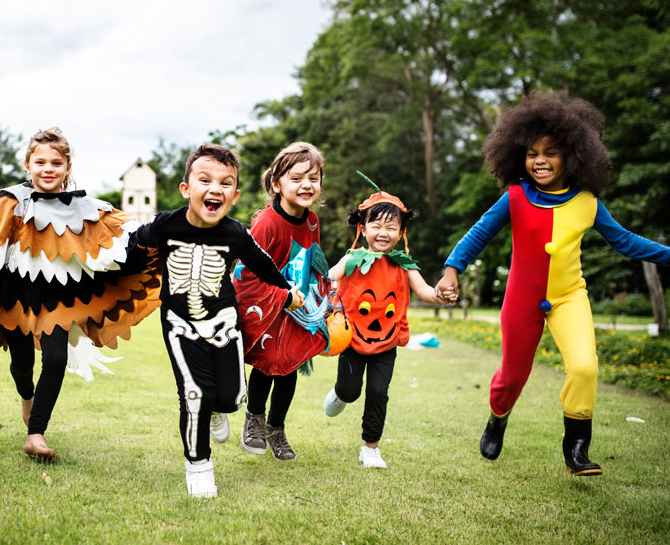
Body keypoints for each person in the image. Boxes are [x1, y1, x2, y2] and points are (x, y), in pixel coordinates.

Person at [435, 91, 670, 475]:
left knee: (584, 367)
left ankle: (576, 447)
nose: (539, 160)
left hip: (568, 297)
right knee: (512, 375)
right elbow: (478, 234)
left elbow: (624, 240)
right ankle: (497, 419)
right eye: (531, 153)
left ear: (573, 155)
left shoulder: (588, 202)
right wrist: (451, 270)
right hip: (521, 299)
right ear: (519, 157)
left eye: (550, 152)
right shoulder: (514, 196)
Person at [0, 127, 160, 462]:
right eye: (40, 162)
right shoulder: (9, 203)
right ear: (28, 165)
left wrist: (170, 229)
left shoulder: (87, 208)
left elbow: (129, 233)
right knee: (22, 365)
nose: (48, 168)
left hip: (59, 299)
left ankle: (36, 434)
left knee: (56, 359)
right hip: (15, 296)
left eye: (56, 163)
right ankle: (26, 397)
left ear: (67, 167)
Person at [134, 143, 305, 498]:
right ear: (186, 189)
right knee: (195, 393)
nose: (215, 189)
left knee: (229, 397)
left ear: (235, 194)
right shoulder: (165, 225)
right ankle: (198, 465)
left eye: (226, 183)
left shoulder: (235, 233)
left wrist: (287, 291)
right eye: (205, 180)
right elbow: (131, 247)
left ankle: (218, 409)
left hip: (224, 321)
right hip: (179, 323)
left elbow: (264, 266)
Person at [323, 178, 449, 469]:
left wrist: (441, 294)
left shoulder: (404, 264)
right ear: (363, 229)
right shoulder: (352, 258)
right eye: (376, 225)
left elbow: (425, 291)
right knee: (351, 390)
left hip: (387, 341)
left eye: (391, 227)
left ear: (401, 232)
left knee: (379, 392)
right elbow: (329, 277)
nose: (383, 233)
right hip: (352, 338)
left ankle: (370, 448)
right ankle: (341, 394)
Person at [232, 142, 330, 461]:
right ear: (277, 183)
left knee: (290, 368)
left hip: (297, 309)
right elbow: (248, 272)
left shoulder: (312, 221)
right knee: (268, 364)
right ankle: (255, 420)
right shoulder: (266, 223)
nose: (306, 185)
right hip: (268, 306)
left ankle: (277, 428)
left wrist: (323, 297)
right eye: (297, 178)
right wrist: (281, 297)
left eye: (313, 178)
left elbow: (311, 260)